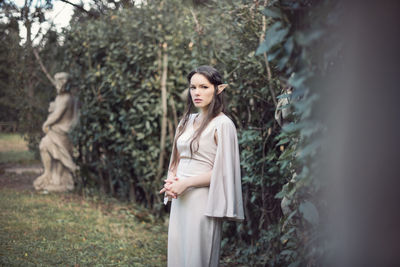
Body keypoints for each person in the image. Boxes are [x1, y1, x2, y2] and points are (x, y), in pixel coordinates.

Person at [159, 65, 244, 267]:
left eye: (204, 87)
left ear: (218, 89)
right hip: (180, 197)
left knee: (197, 258)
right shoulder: (186, 121)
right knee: (178, 254)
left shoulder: (222, 124)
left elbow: (224, 171)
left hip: (203, 199)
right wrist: (172, 182)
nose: (197, 92)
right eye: (193, 87)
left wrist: (186, 183)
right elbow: (176, 159)